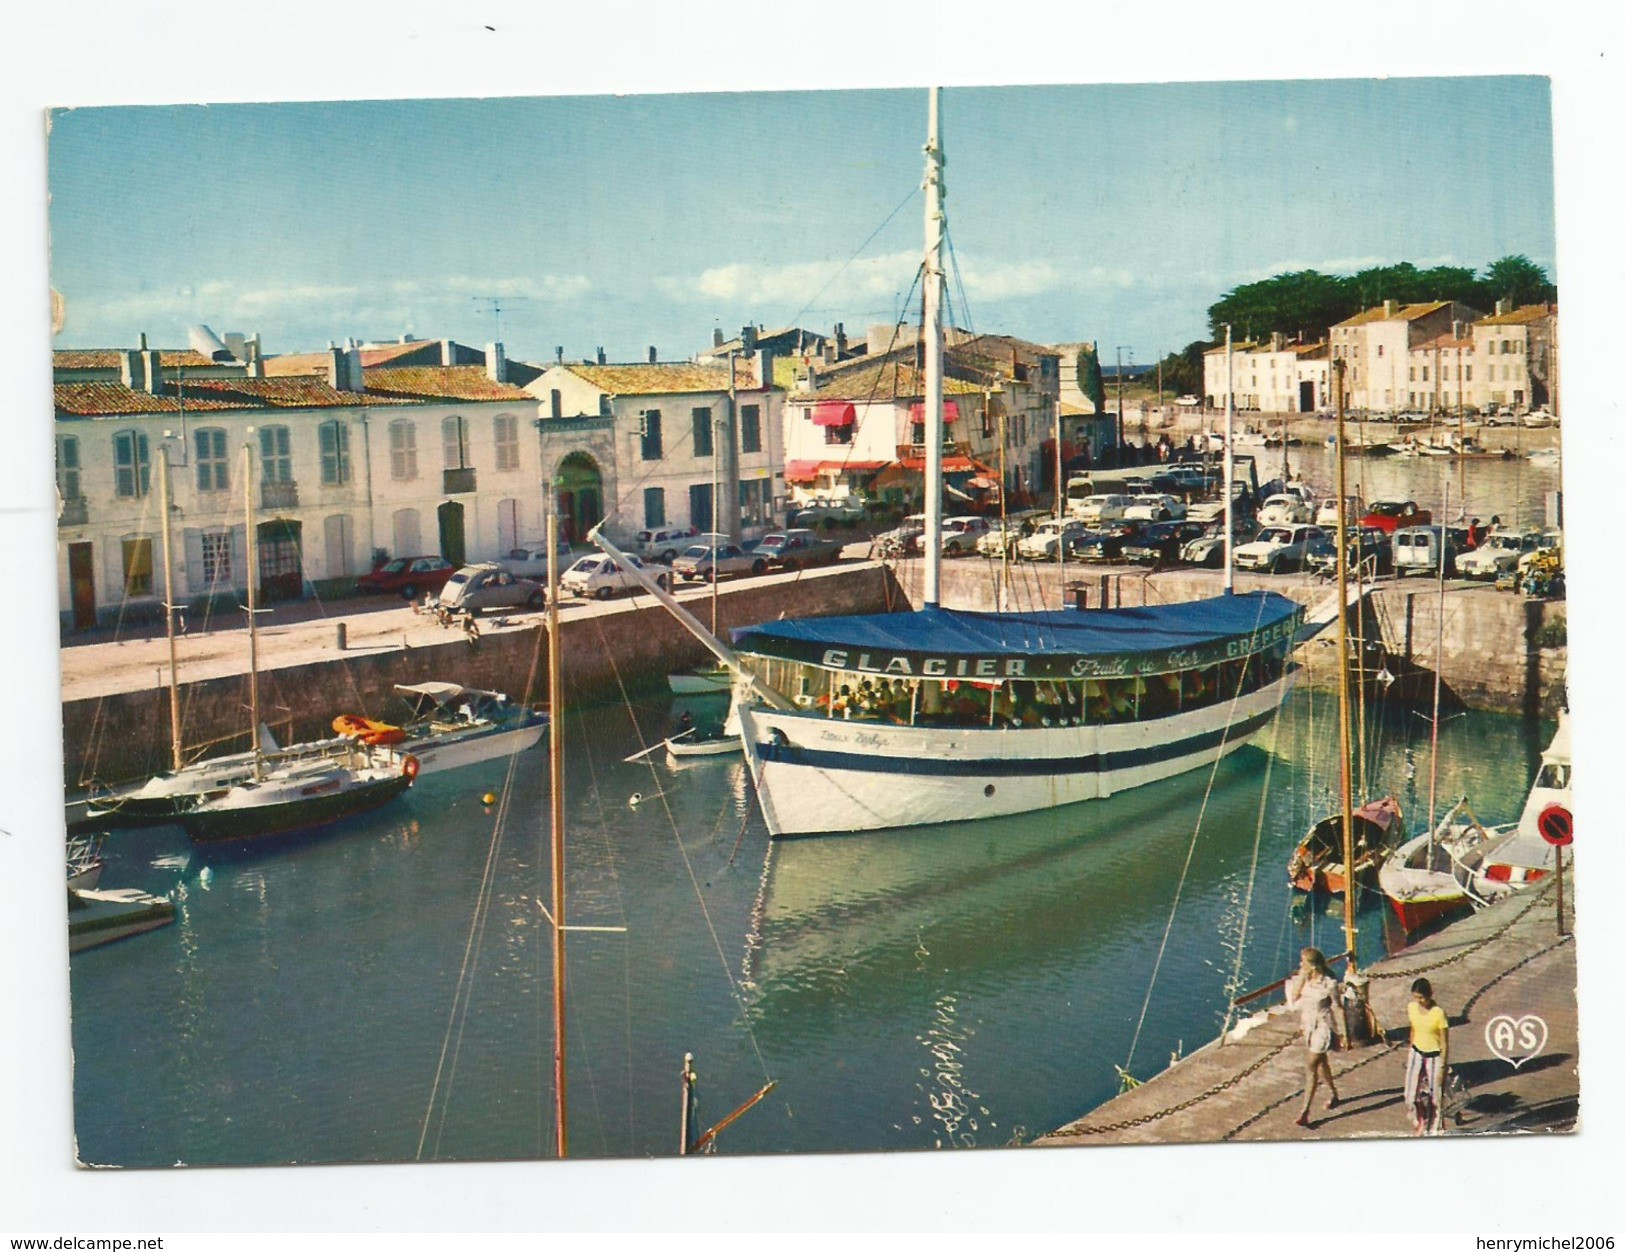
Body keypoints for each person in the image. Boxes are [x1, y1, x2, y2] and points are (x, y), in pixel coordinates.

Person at [1284, 947, 1343, 1128]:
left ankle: (1305, 1111)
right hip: (1308, 1025)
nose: (1301, 964)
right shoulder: (1305, 979)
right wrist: (1302, 975)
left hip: (1323, 1025)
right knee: (1321, 1063)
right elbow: (1293, 997)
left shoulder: (1329, 982)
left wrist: (1344, 1034)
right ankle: (1334, 1094)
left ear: (1313, 965)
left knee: (1311, 1065)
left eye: (1304, 962)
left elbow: (1339, 1007)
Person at [1404, 977, 1449, 1135]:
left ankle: (1434, 1130)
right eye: (1416, 997)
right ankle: (1420, 1119)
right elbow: (1413, 1030)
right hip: (1416, 1053)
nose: (1419, 1001)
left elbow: (1444, 1042)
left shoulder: (1438, 1014)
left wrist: (1443, 1066)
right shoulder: (1411, 1007)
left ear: (1429, 995)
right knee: (1409, 1095)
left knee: (1435, 1097)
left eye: (1421, 997)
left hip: (1434, 1056)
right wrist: (1410, 1052)